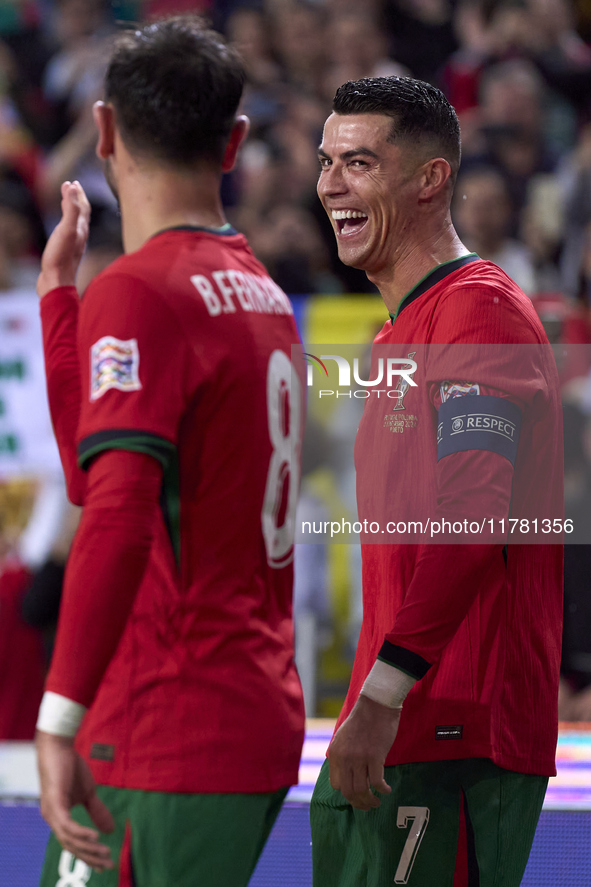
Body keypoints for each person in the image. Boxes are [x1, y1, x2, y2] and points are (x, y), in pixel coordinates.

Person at [35, 16, 305, 887]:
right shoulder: (259, 290)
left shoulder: (146, 289)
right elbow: (98, 472)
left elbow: (112, 515)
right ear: (234, 143)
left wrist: (56, 717)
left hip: (163, 720)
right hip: (247, 704)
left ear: (104, 130)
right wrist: (60, 304)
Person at [311, 76, 563, 886]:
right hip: (392, 726)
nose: (328, 184)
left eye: (358, 162)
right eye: (325, 161)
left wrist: (381, 699)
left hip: (447, 729)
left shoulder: (477, 312)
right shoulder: (399, 333)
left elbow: (471, 521)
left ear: (429, 179)